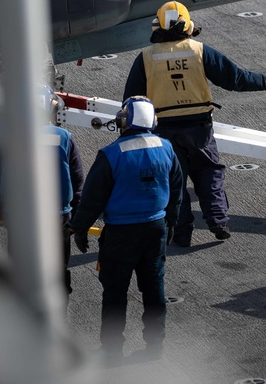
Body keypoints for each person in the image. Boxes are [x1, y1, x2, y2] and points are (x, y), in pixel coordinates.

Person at [123, 1, 266, 247]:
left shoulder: (145, 57)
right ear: (188, 25)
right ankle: (218, 222)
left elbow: (131, 100)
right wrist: (263, 81)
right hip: (199, 128)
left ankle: (182, 233)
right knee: (209, 172)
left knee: (174, 182)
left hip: (163, 131)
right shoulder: (199, 51)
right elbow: (234, 78)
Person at [71, 96, 183, 364]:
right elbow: (177, 189)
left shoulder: (111, 154)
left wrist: (80, 229)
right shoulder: (166, 148)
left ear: (124, 120)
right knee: (154, 287)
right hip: (155, 229)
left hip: (120, 234)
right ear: (153, 121)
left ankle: (111, 350)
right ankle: (155, 346)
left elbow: (92, 199)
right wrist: (172, 222)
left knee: (114, 293)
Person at [0, 85, 84, 303]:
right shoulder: (65, 137)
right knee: (58, 276)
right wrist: (76, 219)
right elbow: (78, 181)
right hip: (58, 217)